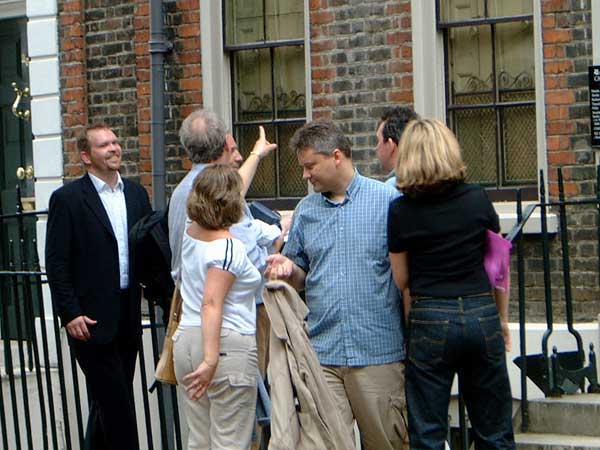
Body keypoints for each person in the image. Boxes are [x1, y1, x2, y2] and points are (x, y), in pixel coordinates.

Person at [266, 120, 408, 450]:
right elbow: (300, 271)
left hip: (378, 352)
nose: (305, 175)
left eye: (310, 166)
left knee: (387, 444)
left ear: (337, 156)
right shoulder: (306, 211)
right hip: (323, 354)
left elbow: (405, 277)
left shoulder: (386, 202)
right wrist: (288, 269)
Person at [387, 118, 515, 450]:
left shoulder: (401, 211)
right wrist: (501, 320)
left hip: (430, 315)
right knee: (494, 429)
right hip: (480, 310)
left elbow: (402, 280)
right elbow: (500, 267)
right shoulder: (477, 199)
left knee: (428, 432)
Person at [45, 123, 152, 450]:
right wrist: (70, 313)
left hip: (127, 314)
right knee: (117, 402)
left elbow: (149, 248)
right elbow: (57, 262)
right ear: (86, 157)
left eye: (115, 142)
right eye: (104, 145)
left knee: (106, 403)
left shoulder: (136, 193)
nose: (114, 148)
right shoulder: (68, 199)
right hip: (89, 321)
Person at [168, 109, 286, 377]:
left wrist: (257, 155)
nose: (239, 156)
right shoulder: (221, 195)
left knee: (201, 411)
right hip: (236, 319)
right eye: (232, 149)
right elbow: (253, 263)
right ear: (222, 147)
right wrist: (276, 243)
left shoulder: (180, 193)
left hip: (189, 321)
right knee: (246, 410)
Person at [173, 164, 262, 450]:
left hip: (186, 341)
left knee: (199, 440)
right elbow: (212, 303)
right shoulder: (228, 247)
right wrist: (211, 361)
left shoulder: (191, 232)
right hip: (224, 346)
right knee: (230, 442)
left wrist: (256, 155)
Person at [375, 106, 419, 186]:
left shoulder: (390, 188)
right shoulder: (429, 181)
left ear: (390, 145)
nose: (376, 148)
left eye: (378, 140)